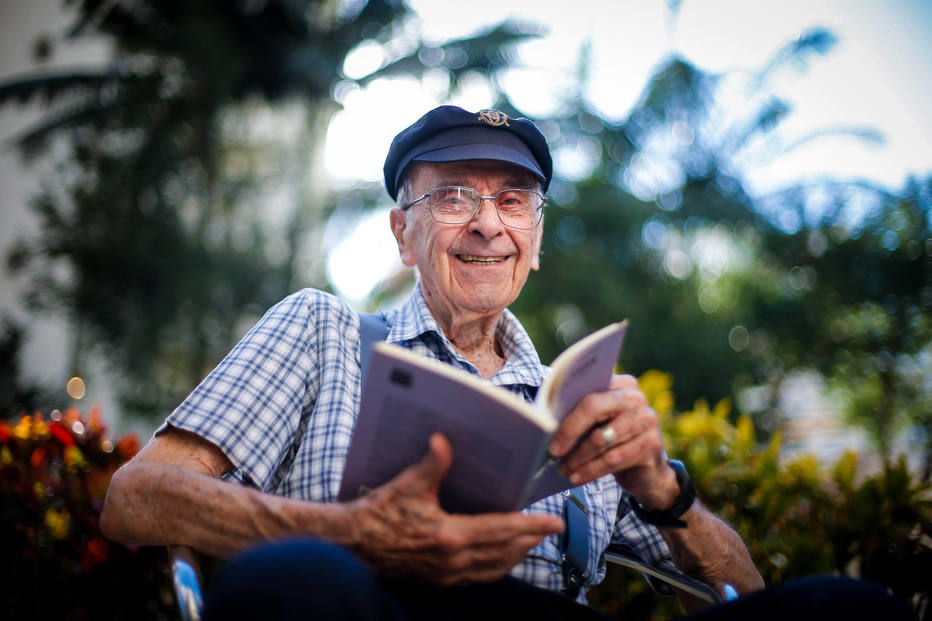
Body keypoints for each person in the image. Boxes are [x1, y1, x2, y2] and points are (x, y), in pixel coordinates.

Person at [99, 106, 913, 621]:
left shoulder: (579, 403)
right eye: (454, 195)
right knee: (302, 577)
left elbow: (743, 585)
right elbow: (133, 500)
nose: (488, 223)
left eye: (513, 200)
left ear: (536, 238)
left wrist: (664, 489)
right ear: (401, 231)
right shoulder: (322, 329)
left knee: (851, 609)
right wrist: (351, 534)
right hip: (365, 606)